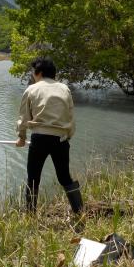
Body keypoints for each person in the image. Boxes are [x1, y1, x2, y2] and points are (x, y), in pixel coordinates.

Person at [15, 57, 83, 214]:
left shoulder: (31, 89)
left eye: (33, 72)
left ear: (38, 73)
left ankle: (30, 215)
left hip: (39, 138)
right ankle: (79, 211)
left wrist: (21, 137)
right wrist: (67, 136)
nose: (33, 75)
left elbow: (23, 118)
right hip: (61, 139)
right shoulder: (64, 89)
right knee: (65, 177)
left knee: (33, 178)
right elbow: (70, 117)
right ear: (54, 74)